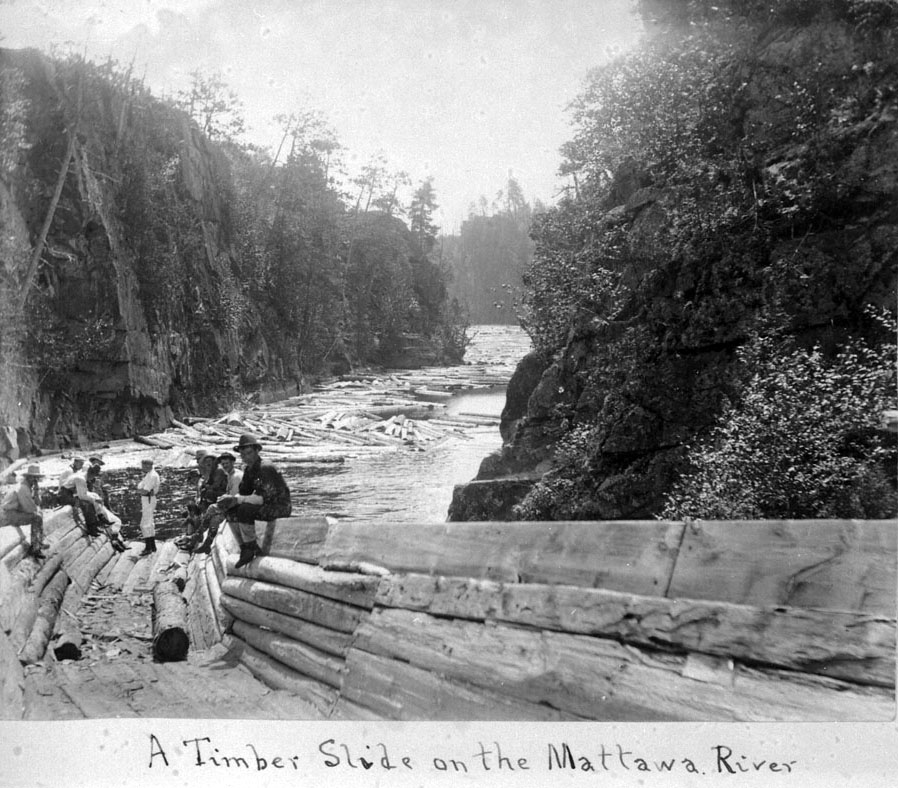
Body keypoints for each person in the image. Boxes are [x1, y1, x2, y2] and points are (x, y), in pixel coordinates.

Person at [216, 433, 291, 568]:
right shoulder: (249, 470)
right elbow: (244, 492)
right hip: (264, 504)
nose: (246, 457)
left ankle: (250, 548)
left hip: (279, 506)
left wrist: (237, 499)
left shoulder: (265, 467)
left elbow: (263, 499)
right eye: (243, 454)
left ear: (257, 451)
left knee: (244, 509)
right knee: (231, 510)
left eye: (249, 453)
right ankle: (244, 547)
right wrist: (229, 501)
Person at [189, 451, 243, 555]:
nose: (225, 465)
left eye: (227, 463)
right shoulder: (228, 474)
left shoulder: (234, 476)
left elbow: (234, 497)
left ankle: (200, 536)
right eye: (223, 464)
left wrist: (219, 500)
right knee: (213, 515)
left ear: (232, 463)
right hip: (231, 503)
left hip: (237, 505)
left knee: (213, 512)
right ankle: (205, 542)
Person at [1, 464, 50, 559]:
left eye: (37, 478)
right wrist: (37, 510)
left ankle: (39, 542)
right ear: (29, 477)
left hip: (13, 512)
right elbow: (30, 509)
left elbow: (37, 503)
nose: (36, 480)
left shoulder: (27, 487)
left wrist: (36, 491)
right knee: (37, 517)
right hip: (7, 515)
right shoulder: (23, 488)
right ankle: (35, 548)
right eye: (34, 478)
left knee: (38, 514)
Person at [59, 462, 103, 536]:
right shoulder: (81, 478)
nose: (93, 479)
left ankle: (95, 526)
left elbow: (84, 492)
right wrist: (94, 500)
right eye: (94, 476)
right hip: (64, 496)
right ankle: (91, 528)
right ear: (91, 474)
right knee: (86, 504)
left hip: (70, 494)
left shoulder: (83, 476)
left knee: (90, 501)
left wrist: (94, 497)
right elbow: (82, 496)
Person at [136, 457, 161, 556]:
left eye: (143, 465)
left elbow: (145, 491)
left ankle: (148, 547)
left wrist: (137, 491)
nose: (142, 467)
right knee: (149, 522)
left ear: (148, 465)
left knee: (144, 524)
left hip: (148, 499)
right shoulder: (149, 474)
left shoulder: (152, 476)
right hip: (147, 499)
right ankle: (152, 546)